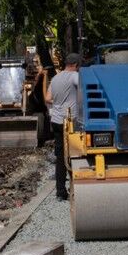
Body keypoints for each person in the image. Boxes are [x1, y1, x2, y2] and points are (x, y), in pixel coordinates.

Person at [45, 52, 81, 201]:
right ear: (77, 65)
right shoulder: (75, 77)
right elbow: (84, 93)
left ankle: (60, 192)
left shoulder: (55, 78)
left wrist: (59, 104)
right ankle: (77, 188)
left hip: (57, 121)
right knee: (76, 154)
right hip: (71, 121)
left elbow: (48, 99)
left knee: (60, 157)